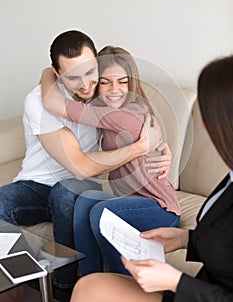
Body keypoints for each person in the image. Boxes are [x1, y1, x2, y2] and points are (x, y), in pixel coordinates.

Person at [0, 30, 164, 301]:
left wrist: (161, 148)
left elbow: (140, 117)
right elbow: (78, 166)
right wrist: (139, 148)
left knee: (66, 191)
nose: (86, 84)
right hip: (36, 187)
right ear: (57, 73)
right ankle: (17, 285)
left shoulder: (105, 92)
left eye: (90, 73)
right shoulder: (39, 101)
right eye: (73, 77)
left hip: (83, 188)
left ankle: (64, 289)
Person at [70, 54, 233, 302]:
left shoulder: (132, 115)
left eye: (207, 115)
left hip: (194, 291)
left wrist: (174, 281)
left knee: (99, 211)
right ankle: (82, 275)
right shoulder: (229, 179)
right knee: (87, 285)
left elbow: (67, 110)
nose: (202, 127)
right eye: (106, 82)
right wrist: (185, 239)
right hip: (197, 289)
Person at [41, 45, 180, 276]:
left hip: (160, 209)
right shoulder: (107, 113)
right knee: (85, 202)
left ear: (131, 83)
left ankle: (121, 286)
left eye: (122, 82)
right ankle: (88, 281)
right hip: (131, 201)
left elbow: (54, 104)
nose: (115, 89)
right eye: (105, 82)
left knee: (101, 212)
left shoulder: (125, 115)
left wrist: (47, 72)